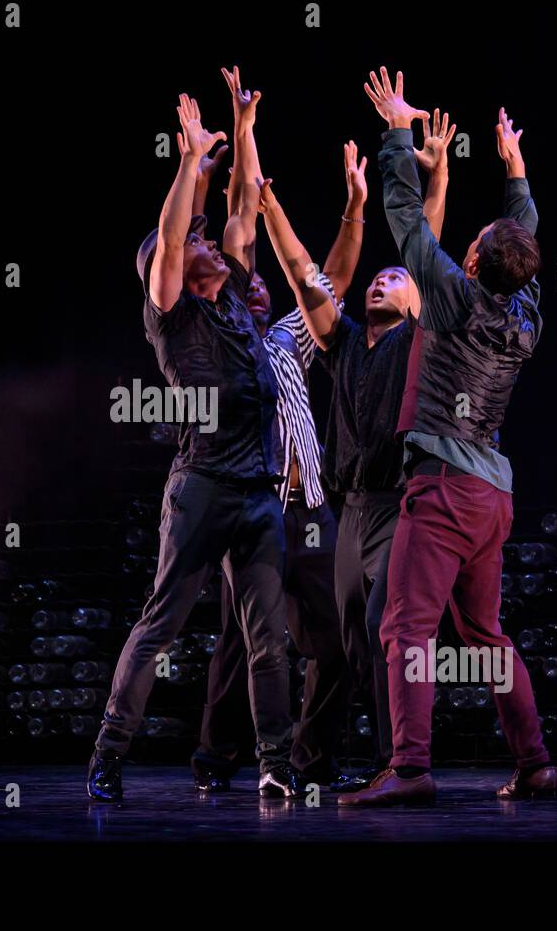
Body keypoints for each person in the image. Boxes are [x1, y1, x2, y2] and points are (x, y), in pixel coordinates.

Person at [341, 67, 556, 807]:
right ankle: (536, 765)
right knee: (487, 637)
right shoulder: (525, 317)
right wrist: (515, 167)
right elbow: (520, 244)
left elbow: (403, 212)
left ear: (469, 264)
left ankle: (408, 770)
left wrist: (398, 127)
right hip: (493, 495)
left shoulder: (455, 298)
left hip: (441, 489)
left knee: (406, 629)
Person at [88, 70, 299, 801]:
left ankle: (276, 762)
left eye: (214, 245)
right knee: (161, 625)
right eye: (195, 246)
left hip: (258, 494)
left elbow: (242, 207)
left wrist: (242, 129)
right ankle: (108, 756)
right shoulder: (172, 314)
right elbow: (177, 235)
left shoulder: (237, 294)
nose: (211, 243)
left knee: (269, 639)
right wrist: (186, 162)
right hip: (202, 487)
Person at [255, 113, 455, 781]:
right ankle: (323, 765)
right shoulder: (339, 344)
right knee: (343, 642)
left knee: (381, 632)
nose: (381, 279)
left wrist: (440, 171)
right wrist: (271, 207)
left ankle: (397, 764)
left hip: (406, 506)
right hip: (353, 512)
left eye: (395, 279)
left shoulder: (418, 342)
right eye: (377, 278)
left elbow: (423, 244)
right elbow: (300, 273)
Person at [190, 139, 370, 794]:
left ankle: (310, 756)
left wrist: (342, 206)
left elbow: (330, 284)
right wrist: (244, 139)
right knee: (245, 641)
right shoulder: (220, 347)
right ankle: (217, 757)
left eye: (268, 283)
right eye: (251, 281)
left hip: (312, 511)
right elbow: (234, 240)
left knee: (335, 641)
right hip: (254, 507)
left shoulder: (287, 341)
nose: (260, 286)